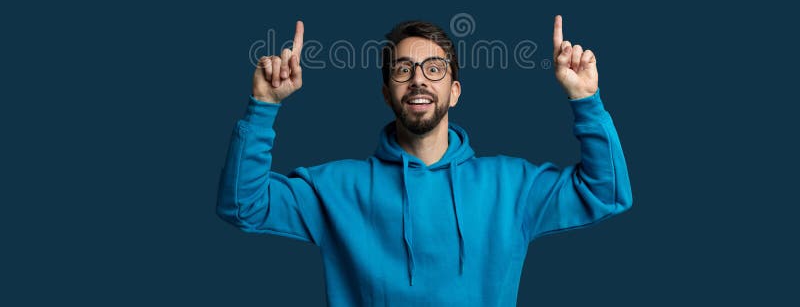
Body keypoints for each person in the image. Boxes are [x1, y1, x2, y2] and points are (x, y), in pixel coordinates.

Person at [216, 16, 632, 306]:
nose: (418, 79)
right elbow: (244, 206)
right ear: (386, 93)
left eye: (434, 69)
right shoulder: (336, 190)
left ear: (454, 91)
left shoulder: (511, 186)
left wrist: (586, 100)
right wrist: (264, 106)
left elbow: (606, 192)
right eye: (403, 70)